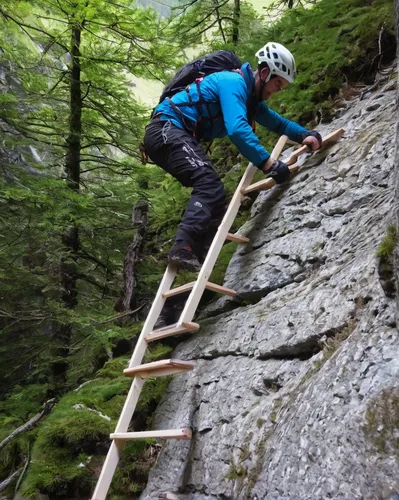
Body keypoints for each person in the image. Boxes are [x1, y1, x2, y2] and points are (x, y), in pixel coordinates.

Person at [143, 42, 322, 327]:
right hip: (165, 129)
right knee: (209, 185)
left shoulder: (250, 99)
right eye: (277, 83)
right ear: (263, 72)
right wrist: (269, 164)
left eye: (282, 86)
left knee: (213, 210)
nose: (278, 90)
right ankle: (181, 248)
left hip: (173, 134)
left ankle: (170, 309)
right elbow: (238, 130)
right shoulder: (232, 83)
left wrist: (305, 135)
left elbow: (276, 123)